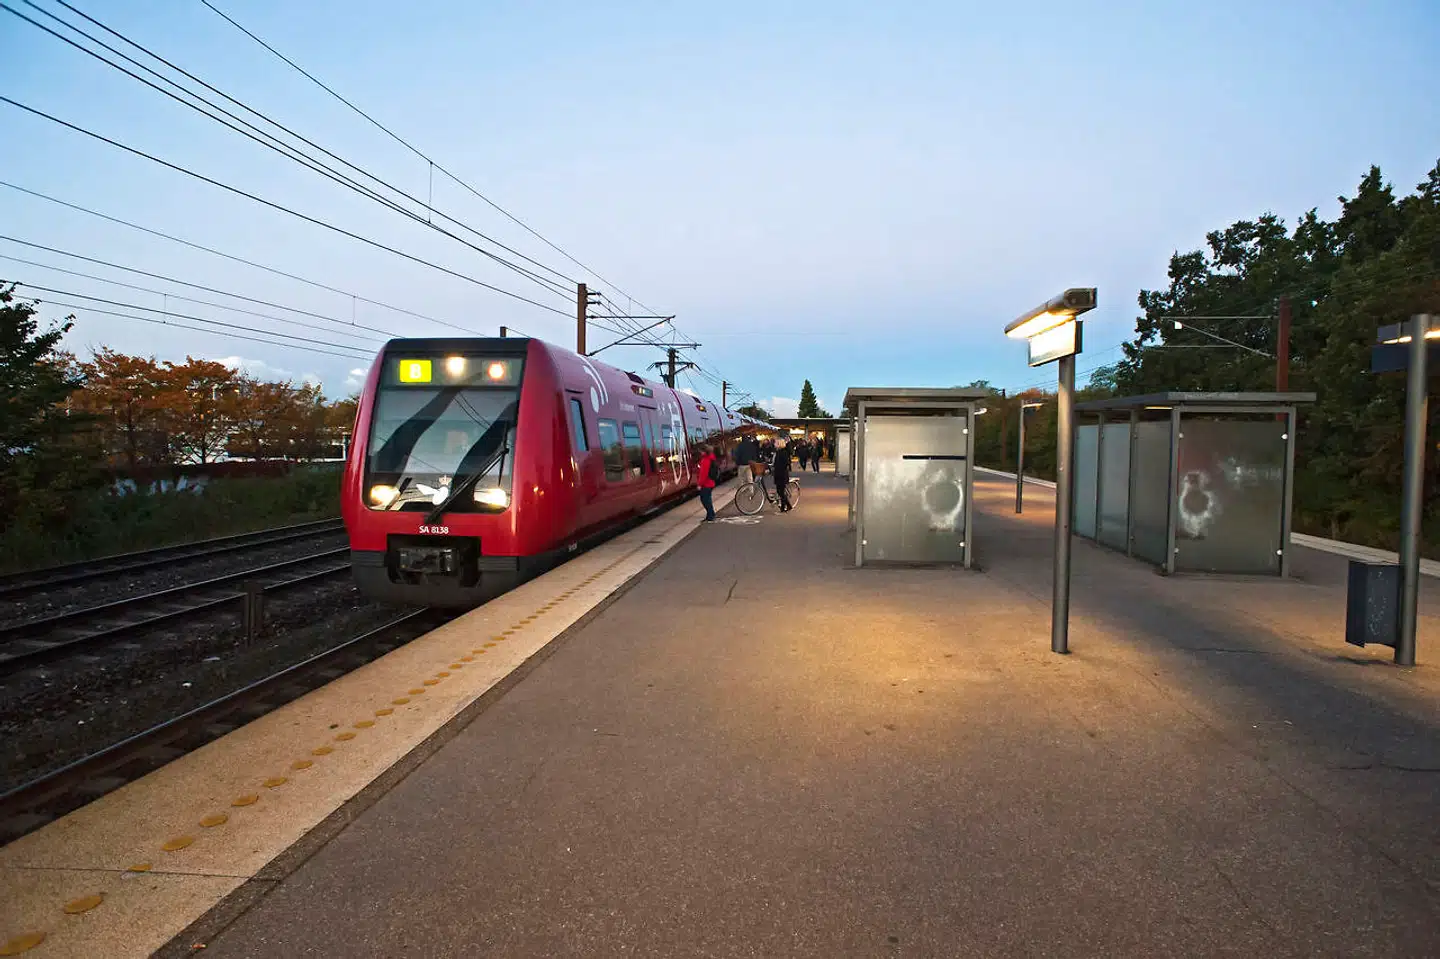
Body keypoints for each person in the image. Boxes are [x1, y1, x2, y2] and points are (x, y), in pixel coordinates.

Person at [696, 444, 718, 521]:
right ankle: (710, 515)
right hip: (711, 482)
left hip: (706, 483)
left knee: (704, 499)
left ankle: (711, 515)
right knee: (707, 499)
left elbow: (703, 474)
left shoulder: (705, 460)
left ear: (704, 451)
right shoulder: (711, 457)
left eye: (701, 451)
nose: (700, 453)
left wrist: (699, 484)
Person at [772, 437, 793, 513]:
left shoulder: (782, 452)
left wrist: (778, 467)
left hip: (781, 474)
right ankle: (786, 506)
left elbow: (786, 463)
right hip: (779, 473)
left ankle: (785, 506)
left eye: (776, 443)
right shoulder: (779, 451)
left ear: (779, 444)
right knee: (780, 491)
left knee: (780, 491)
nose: (774, 444)